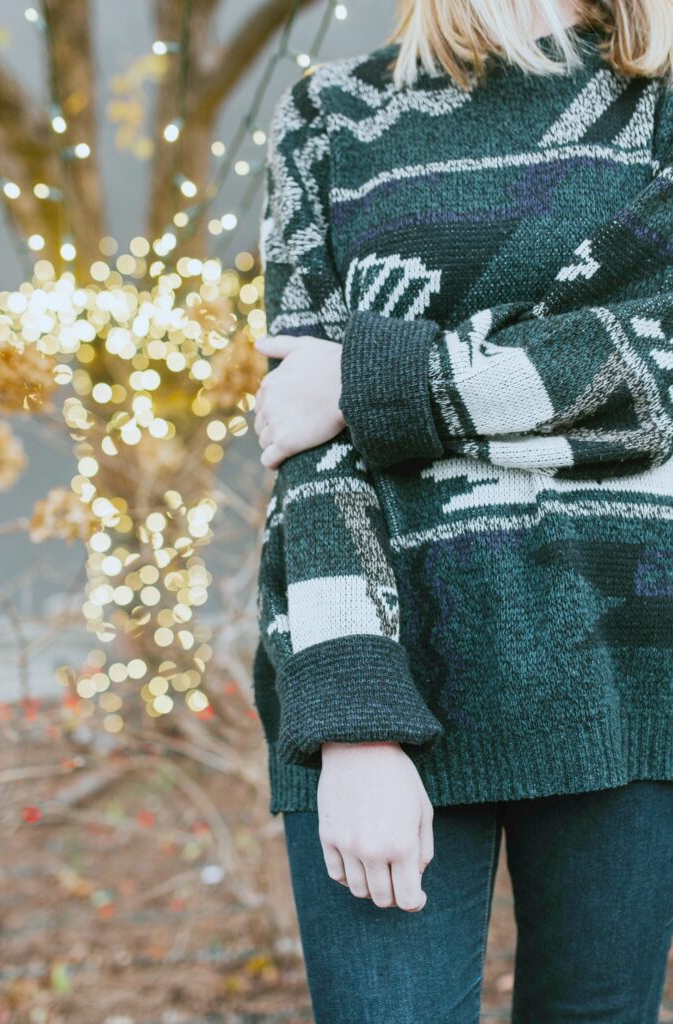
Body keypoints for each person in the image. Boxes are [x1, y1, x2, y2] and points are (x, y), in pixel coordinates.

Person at [251, 0, 673, 1020]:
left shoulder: (660, 108)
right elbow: (304, 439)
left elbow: (650, 382)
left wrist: (366, 379)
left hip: (627, 664)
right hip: (385, 672)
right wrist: (352, 723)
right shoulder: (332, 115)